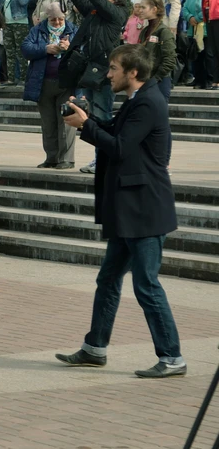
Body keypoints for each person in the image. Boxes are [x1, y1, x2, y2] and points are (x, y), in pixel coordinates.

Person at [57, 45, 184, 379]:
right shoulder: (137, 100)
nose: (108, 74)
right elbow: (115, 133)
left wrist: (87, 126)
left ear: (133, 72)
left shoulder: (149, 102)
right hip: (130, 209)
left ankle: (172, 357)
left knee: (146, 285)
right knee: (110, 279)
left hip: (144, 210)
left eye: (113, 68)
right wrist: (87, 120)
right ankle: (95, 349)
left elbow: (120, 148)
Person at [58, 0, 129, 175]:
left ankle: (103, 159)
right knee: (94, 118)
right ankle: (98, 158)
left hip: (105, 73)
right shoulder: (97, 13)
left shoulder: (117, 14)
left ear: (115, 0)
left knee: (103, 115)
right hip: (89, 70)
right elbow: (82, 1)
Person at [22, 4, 78, 169]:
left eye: (60, 19)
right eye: (53, 19)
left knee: (66, 122)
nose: (57, 22)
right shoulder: (37, 30)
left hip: (66, 83)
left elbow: (83, 51)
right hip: (43, 82)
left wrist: (69, 49)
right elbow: (26, 48)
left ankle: (66, 159)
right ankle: (52, 157)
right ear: (47, 18)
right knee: (48, 123)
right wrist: (45, 49)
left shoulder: (73, 30)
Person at [136, 0, 178, 102]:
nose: (140, 10)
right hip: (146, 79)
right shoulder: (145, 31)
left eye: (143, 7)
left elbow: (170, 60)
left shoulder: (164, 31)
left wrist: (155, 79)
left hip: (160, 81)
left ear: (154, 9)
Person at [0, 0, 31, 85]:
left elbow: (23, 1)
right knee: (9, 52)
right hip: (7, 24)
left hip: (20, 23)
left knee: (20, 52)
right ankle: (11, 78)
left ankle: (23, 78)